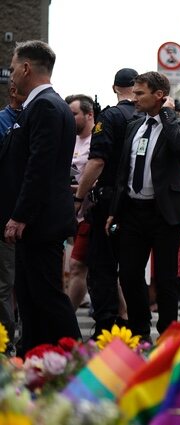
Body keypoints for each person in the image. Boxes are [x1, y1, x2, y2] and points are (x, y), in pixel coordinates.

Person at [1, 40, 82, 355]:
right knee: (31, 296)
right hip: (38, 220)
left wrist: (20, 215)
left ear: (25, 68)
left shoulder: (45, 105)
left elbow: (39, 167)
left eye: (12, 68)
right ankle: (32, 360)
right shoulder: (44, 104)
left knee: (47, 296)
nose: (11, 75)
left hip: (40, 221)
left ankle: (81, 362)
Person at [106, 71, 180, 341]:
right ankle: (140, 331)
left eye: (140, 93)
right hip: (133, 212)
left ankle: (168, 334)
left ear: (159, 96)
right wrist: (114, 210)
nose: (134, 98)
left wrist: (167, 115)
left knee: (167, 278)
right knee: (130, 274)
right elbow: (125, 169)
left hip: (164, 213)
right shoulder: (134, 126)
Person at [74, 68, 138, 337]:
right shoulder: (148, 116)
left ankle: (107, 325)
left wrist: (79, 197)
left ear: (115, 88)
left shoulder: (109, 117)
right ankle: (136, 325)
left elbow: (97, 161)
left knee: (103, 266)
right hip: (141, 202)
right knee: (134, 267)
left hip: (110, 201)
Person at [0, 82, 26, 354]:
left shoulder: (38, 118)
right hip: (7, 214)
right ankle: (7, 342)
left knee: (27, 282)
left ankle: (25, 339)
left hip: (35, 216)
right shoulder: (3, 122)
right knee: (6, 283)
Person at [65, 94, 95, 310]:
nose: (69, 118)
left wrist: (79, 190)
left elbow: (100, 175)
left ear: (89, 115)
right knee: (85, 268)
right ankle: (123, 315)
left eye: (74, 114)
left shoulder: (98, 140)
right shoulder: (70, 139)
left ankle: (66, 321)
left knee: (77, 266)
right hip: (71, 214)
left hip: (91, 213)